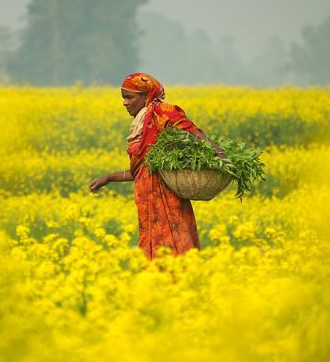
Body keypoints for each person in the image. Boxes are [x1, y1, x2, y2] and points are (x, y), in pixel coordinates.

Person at [89, 72, 227, 260]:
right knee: (153, 246)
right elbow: (142, 171)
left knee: (175, 244)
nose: (125, 103)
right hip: (146, 198)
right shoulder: (140, 123)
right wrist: (109, 178)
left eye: (129, 97)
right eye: (123, 98)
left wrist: (217, 152)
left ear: (146, 96)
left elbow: (192, 130)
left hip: (167, 193)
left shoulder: (161, 111)